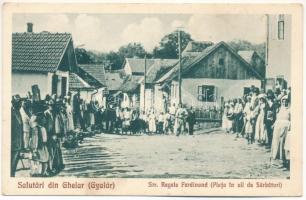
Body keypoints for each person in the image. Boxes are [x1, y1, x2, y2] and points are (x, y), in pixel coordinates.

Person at [270, 95, 290, 167]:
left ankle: (283, 161)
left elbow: (291, 120)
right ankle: (276, 159)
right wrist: (274, 124)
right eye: (283, 102)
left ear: (288, 102)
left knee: (282, 143)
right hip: (277, 127)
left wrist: (289, 126)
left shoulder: (290, 110)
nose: (284, 103)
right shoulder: (280, 109)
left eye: (286, 101)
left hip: (285, 128)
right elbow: (277, 119)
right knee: (276, 142)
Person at [11, 95, 24, 177]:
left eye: (21, 102)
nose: (21, 104)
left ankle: (12, 175)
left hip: (18, 144)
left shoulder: (18, 112)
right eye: (19, 102)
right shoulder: (10, 113)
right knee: (11, 163)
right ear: (14, 103)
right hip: (13, 144)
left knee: (15, 163)